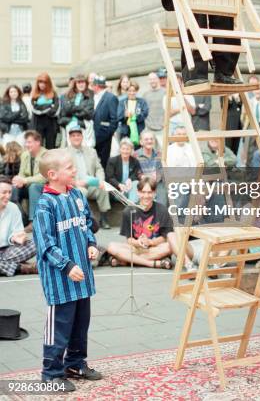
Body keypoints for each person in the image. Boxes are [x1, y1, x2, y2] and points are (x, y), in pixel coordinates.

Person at [33, 149, 102, 390]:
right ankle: (51, 373)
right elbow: (45, 244)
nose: (75, 170)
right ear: (52, 174)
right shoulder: (44, 204)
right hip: (60, 280)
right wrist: (66, 265)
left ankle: (75, 363)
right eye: (70, 167)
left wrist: (92, 244)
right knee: (59, 325)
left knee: (81, 323)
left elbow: (86, 226)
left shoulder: (78, 196)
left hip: (82, 276)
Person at [107, 177, 174, 269]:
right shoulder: (128, 211)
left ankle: (127, 261)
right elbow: (129, 239)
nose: (146, 196)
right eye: (143, 192)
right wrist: (138, 242)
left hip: (154, 248)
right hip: (135, 248)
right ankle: (151, 263)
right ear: (138, 193)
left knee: (170, 247)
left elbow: (164, 237)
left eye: (149, 192)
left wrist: (150, 242)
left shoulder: (162, 210)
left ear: (154, 193)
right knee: (111, 247)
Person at [67, 126, 111, 230]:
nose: (76, 138)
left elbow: (99, 168)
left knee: (103, 188)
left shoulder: (91, 151)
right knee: (81, 192)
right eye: (73, 136)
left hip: (91, 183)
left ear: (82, 137)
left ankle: (104, 218)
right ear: (69, 138)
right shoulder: (65, 153)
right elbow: (64, 172)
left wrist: (100, 180)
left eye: (78, 135)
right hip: (75, 185)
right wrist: (75, 182)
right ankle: (84, 220)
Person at [0, 177, 37, 276]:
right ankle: (23, 268)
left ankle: (5, 265)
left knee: (38, 241)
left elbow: (17, 233)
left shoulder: (13, 208)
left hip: (9, 251)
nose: (7, 196)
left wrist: (17, 238)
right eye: (4, 192)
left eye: (9, 192)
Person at [11, 130, 47, 229]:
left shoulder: (45, 154)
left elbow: (44, 177)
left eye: (29, 142)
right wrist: (18, 180)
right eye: (26, 142)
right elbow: (21, 173)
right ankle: (21, 219)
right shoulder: (25, 155)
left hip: (44, 187)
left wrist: (25, 181)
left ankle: (33, 221)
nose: (27, 144)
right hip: (28, 185)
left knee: (33, 187)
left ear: (38, 142)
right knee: (13, 189)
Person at [58, 75, 94, 147]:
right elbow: (65, 110)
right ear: (75, 84)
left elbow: (88, 112)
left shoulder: (90, 95)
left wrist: (73, 111)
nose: (81, 84)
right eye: (79, 82)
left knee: (84, 147)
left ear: (86, 83)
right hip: (70, 124)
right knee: (72, 149)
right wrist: (79, 109)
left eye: (83, 82)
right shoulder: (68, 95)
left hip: (84, 125)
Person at [93, 76, 118, 169]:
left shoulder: (111, 97)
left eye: (93, 85)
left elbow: (114, 119)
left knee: (103, 163)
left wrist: (108, 134)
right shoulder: (93, 97)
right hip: (93, 135)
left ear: (96, 86)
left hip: (104, 136)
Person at [106, 138, 142, 203]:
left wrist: (130, 179)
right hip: (117, 191)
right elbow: (110, 177)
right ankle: (132, 205)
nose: (125, 151)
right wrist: (119, 185)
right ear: (120, 149)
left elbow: (136, 174)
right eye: (123, 149)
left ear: (131, 150)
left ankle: (131, 205)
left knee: (136, 183)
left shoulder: (135, 161)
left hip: (129, 189)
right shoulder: (112, 161)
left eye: (128, 149)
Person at [31, 73, 60, 149]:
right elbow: (35, 109)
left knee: (50, 146)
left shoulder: (54, 94)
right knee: (37, 146)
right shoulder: (34, 95)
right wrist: (49, 106)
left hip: (51, 123)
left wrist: (42, 107)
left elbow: (55, 110)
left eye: (44, 82)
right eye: (40, 82)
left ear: (48, 83)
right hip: (38, 123)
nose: (42, 84)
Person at [117, 81, 149, 149]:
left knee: (138, 152)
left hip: (138, 132)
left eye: (134, 90)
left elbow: (145, 113)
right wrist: (125, 115)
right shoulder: (121, 102)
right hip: (125, 133)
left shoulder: (142, 102)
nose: (132, 93)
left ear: (137, 91)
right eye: (129, 91)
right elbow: (118, 116)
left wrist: (135, 116)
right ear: (126, 91)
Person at [142, 73, 165, 145]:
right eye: (150, 79)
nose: (152, 81)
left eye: (154, 79)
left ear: (158, 79)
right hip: (149, 129)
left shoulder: (165, 92)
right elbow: (144, 111)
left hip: (163, 128)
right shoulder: (145, 94)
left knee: (163, 151)